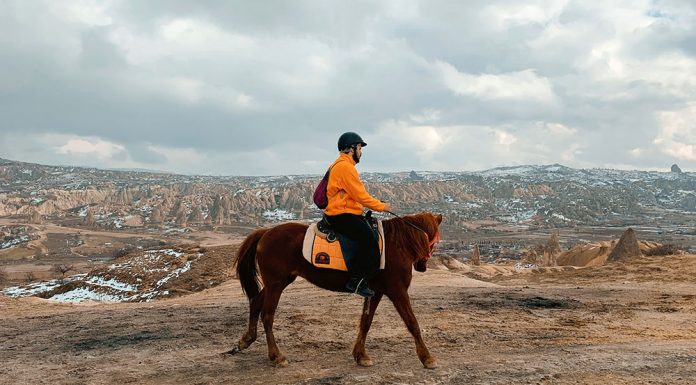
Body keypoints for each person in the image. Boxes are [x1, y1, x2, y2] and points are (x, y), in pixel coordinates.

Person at [323, 132, 391, 298]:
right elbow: (361, 196)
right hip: (341, 214)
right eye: (360, 148)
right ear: (352, 149)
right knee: (369, 240)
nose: (361, 151)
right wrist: (382, 206)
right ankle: (357, 280)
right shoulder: (345, 167)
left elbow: (354, 196)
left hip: (344, 212)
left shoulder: (340, 165)